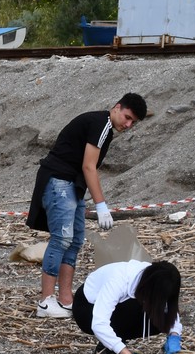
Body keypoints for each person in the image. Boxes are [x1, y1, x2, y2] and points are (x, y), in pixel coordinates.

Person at [27, 93, 148, 319]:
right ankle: (45, 301)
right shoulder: (101, 124)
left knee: (74, 241)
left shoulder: (106, 129)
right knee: (61, 238)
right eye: (127, 117)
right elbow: (89, 167)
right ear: (117, 107)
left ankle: (65, 299)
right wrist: (101, 205)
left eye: (133, 122)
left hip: (72, 185)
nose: (128, 124)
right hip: (59, 180)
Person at [73, 259, 183, 354]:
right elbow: (99, 323)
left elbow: (169, 309)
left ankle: (114, 343)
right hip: (86, 309)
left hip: (120, 307)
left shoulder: (157, 278)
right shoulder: (119, 280)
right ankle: (105, 350)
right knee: (132, 309)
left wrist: (174, 334)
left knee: (155, 317)